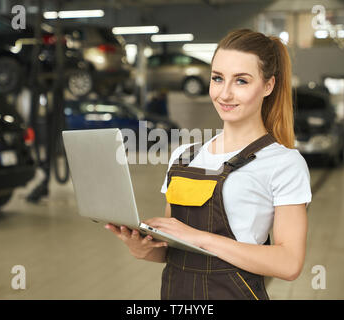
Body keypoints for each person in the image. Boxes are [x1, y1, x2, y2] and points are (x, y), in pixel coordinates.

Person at [105, 29, 312, 300]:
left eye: (241, 81)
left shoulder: (283, 163)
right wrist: (142, 248)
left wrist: (199, 237)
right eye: (217, 78)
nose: (224, 94)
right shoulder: (183, 156)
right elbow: (174, 248)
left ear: (268, 86)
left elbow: (289, 263)